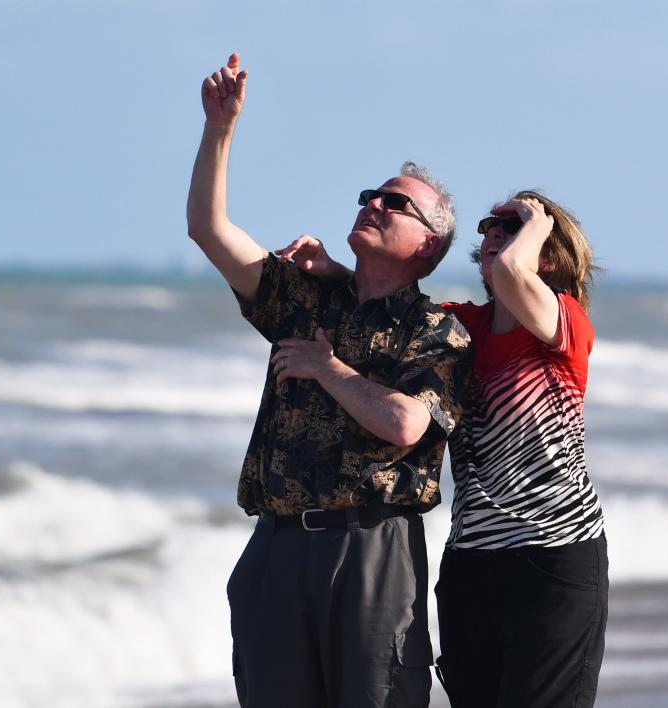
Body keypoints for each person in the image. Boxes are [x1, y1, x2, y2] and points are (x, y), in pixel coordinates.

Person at [186, 53, 471, 708]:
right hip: (279, 546)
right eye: (370, 195)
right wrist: (219, 129)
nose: (373, 203)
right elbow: (207, 229)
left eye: (394, 204)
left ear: (427, 244)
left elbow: (405, 423)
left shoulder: (438, 332)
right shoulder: (305, 300)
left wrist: (327, 367)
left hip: (372, 548)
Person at [279, 193, 608, 707]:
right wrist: (332, 270)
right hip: (471, 564)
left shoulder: (563, 326)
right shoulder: (462, 330)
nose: (494, 233)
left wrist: (536, 223)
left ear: (546, 250)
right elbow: (392, 303)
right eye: (489, 225)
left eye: (510, 225)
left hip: (554, 561)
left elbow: (512, 276)